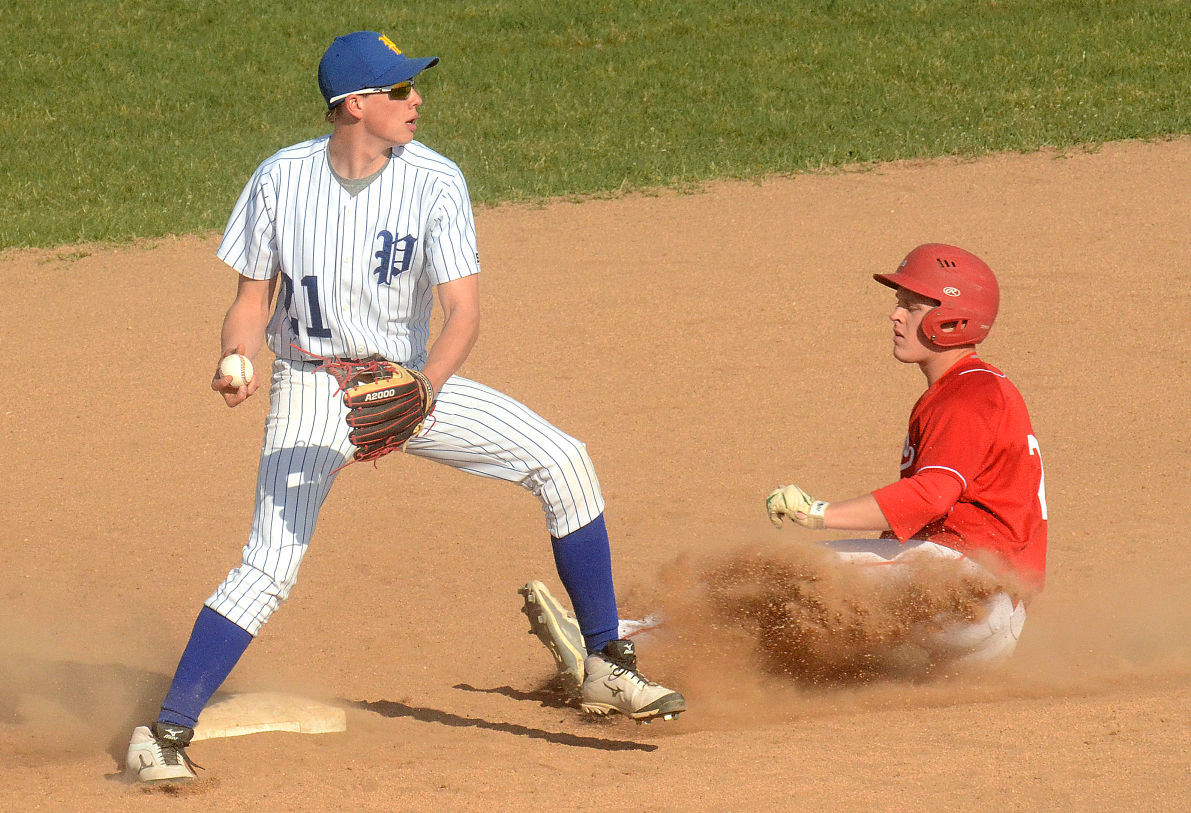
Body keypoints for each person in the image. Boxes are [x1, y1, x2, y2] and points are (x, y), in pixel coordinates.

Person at [125, 30, 684, 785]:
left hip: (409, 381)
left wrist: (425, 389)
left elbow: (463, 313)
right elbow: (253, 298)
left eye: (412, 86)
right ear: (353, 105)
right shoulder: (279, 179)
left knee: (563, 459)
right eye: (398, 89)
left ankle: (607, 663)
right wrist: (236, 356)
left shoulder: (436, 181)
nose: (416, 98)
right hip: (311, 386)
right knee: (269, 562)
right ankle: (163, 733)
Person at [521, 244, 1047, 686]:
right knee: (797, 639)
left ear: (950, 316)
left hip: (956, 589)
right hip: (981, 625)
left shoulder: (968, 395)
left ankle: (612, 647)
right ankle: (670, 674)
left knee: (775, 577)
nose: (895, 313)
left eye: (911, 304)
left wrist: (818, 512)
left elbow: (930, 496)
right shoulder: (981, 391)